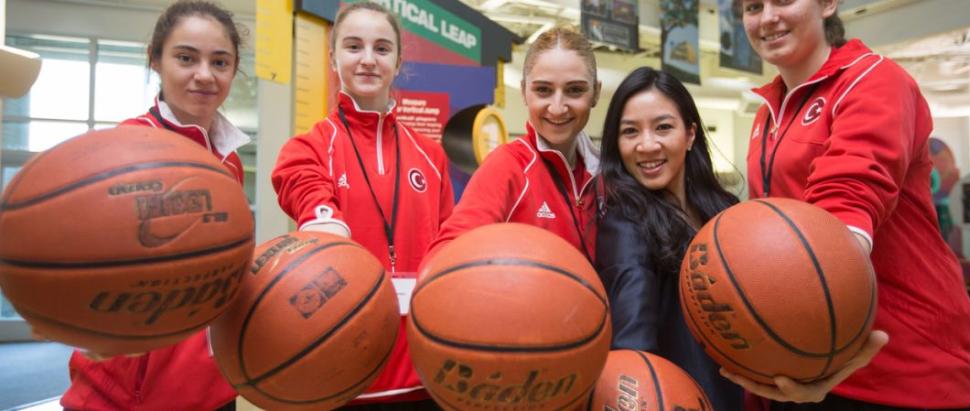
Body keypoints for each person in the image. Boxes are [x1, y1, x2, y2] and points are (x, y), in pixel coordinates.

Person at [728, 0, 970, 409]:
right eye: (753, 7)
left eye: (783, 0)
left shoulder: (874, 79)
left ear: (828, 3)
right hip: (815, 360)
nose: (767, 17)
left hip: (905, 365)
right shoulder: (768, 115)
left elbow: (848, 194)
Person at [60, 1, 248, 410]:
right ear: (156, 60)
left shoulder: (229, 160)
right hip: (124, 392)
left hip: (212, 385)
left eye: (220, 62)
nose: (204, 75)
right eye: (186, 58)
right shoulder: (123, 150)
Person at [270, 2, 453, 409]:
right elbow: (303, 187)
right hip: (342, 372)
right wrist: (324, 220)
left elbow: (447, 250)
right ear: (333, 58)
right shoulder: (310, 147)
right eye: (353, 47)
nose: (368, 59)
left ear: (399, 60)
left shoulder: (431, 156)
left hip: (423, 374)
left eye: (382, 48)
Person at [595, 66, 743, 410]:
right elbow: (633, 345)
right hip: (680, 399)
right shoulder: (625, 224)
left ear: (690, 134)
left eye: (663, 127)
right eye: (630, 131)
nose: (647, 145)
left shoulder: (724, 210)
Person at [428, 26, 601, 261]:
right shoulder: (508, 167)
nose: (558, 107)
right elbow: (443, 258)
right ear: (523, 92)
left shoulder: (607, 174)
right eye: (543, 90)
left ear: (596, 93)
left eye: (574, 90)